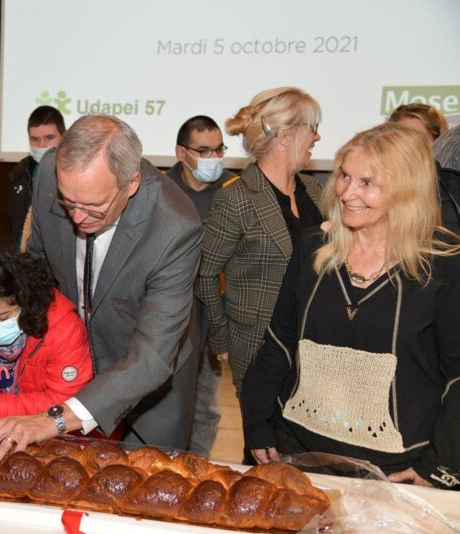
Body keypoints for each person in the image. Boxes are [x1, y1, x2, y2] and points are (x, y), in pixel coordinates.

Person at [241, 123, 460, 489]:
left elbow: (457, 377)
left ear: (406, 191)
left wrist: (438, 466)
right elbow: (280, 341)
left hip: (396, 472)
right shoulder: (314, 249)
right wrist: (257, 424)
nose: (347, 193)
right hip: (298, 456)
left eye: (367, 183)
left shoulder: (443, 267)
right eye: (344, 176)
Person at [0, 114, 203, 456]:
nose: (77, 219)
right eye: (68, 204)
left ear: (132, 182)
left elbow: (152, 355)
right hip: (62, 372)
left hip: (147, 391)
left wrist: (55, 420)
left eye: (94, 207)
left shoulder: (174, 228)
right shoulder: (50, 172)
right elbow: (38, 273)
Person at [198, 87, 324, 399]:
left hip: (316, 346)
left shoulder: (317, 191)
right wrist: (222, 339)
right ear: (285, 136)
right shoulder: (236, 198)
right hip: (257, 346)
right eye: (313, 128)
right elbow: (205, 273)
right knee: (264, 443)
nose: (317, 138)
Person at [0, 243, 93, 421]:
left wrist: (1, 407)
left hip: (56, 431)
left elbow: (66, 402)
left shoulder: (64, 330)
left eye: (3, 318)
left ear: (25, 302)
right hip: (7, 422)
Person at [166, 115, 236, 456]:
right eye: (203, 150)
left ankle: (198, 466)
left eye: (219, 149)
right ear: (181, 153)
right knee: (167, 401)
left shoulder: (234, 191)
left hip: (213, 312)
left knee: (206, 404)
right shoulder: (160, 192)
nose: (213, 158)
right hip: (171, 312)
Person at [388, 104, 460, 232]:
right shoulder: (374, 188)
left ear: (438, 143)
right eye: (400, 138)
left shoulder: (450, 192)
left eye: (418, 139)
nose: (408, 147)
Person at [9, 105, 65, 251]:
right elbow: (15, 224)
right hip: (23, 258)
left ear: (63, 137)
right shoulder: (19, 173)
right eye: (35, 139)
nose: (41, 145)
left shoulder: (73, 174)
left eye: (49, 138)